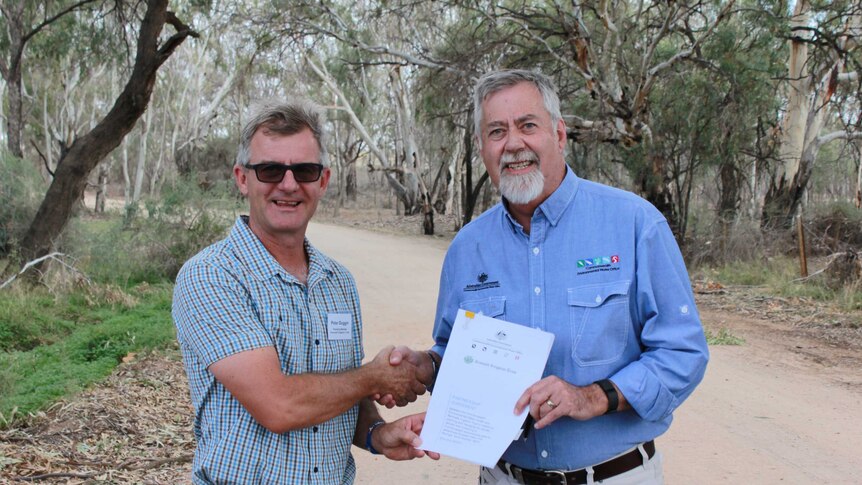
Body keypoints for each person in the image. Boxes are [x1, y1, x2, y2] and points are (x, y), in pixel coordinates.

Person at [390, 69, 709, 484]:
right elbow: (456, 349)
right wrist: (426, 365)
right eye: (497, 131)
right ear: (482, 147)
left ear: (559, 135)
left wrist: (593, 397)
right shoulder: (467, 250)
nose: (513, 144)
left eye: (528, 126)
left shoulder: (634, 224)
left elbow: (683, 352)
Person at [172, 97, 438, 485]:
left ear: (323, 181)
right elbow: (278, 405)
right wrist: (375, 376)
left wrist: (377, 434)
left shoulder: (338, 282)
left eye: (305, 170)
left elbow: (342, 392)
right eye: (270, 170)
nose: (289, 184)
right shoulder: (212, 276)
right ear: (242, 178)